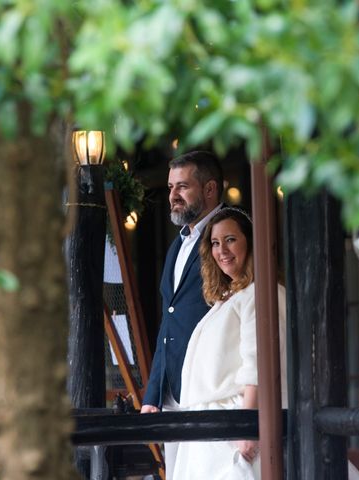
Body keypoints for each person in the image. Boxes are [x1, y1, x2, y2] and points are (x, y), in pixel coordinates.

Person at [172, 207, 359, 480]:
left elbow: (259, 364)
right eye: (215, 243)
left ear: (250, 243)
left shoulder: (262, 293)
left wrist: (249, 428)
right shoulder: (228, 298)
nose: (222, 250)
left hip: (238, 428)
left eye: (230, 239)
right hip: (212, 433)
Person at [141, 150, 224, 479]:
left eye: (182, 187)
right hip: (174, 390)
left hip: (211, 386)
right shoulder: (178, 244)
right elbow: (169, 321)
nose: (172, 195)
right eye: (170, 186)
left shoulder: (227, 237)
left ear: (209, 189)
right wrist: (154, 394)